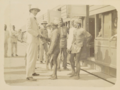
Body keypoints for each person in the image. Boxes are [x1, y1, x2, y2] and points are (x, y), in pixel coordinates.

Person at [26, 5, 40, 81]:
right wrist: (37, 34)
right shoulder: (30, 18)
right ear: (31, 10)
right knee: (31, 57)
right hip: (31, 40)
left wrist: (39, 34)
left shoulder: (34, 18)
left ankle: (33, 71)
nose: (36, 12)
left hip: (35, 40)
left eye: (37, 11)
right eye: (35, 10)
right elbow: (28, 29)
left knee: (34, 57)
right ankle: (28, 75)